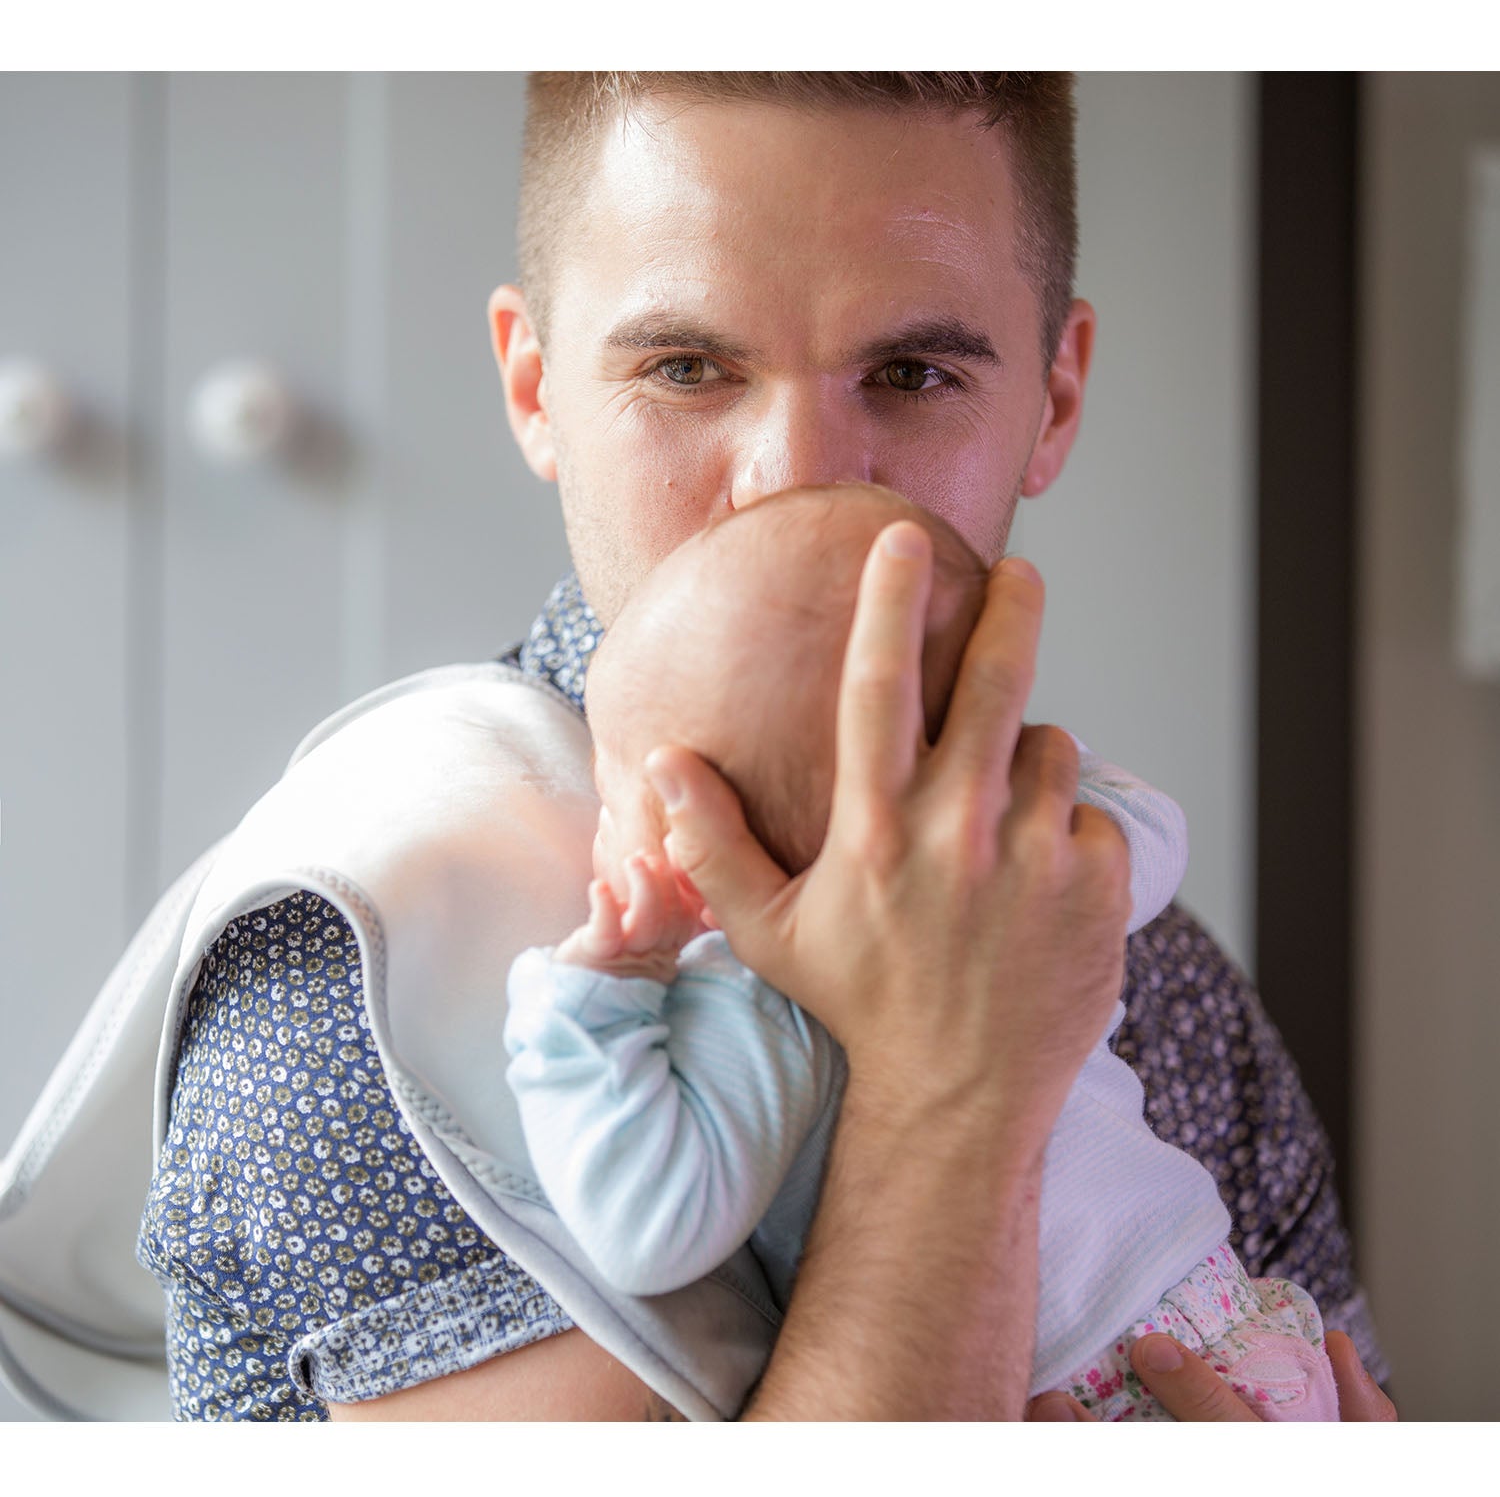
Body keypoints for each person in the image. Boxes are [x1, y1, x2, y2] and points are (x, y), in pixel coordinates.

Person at [135, 71, 1393, 1421]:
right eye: (686, 368)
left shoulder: (1158, 962)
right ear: (536, 387)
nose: (794, 479)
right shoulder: (375, 969)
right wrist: (946, 1104)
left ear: (1058, 396)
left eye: (912, 374)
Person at [503, 481, 1337, 1420]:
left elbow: (648, 1228)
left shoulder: (755, 1006)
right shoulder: (1046, 900)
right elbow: (1155, 828)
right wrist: (1029, 781)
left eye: (611, 786)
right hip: (1237, 1328)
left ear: (687, 850)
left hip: (1083, 1398)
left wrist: (593, 994)